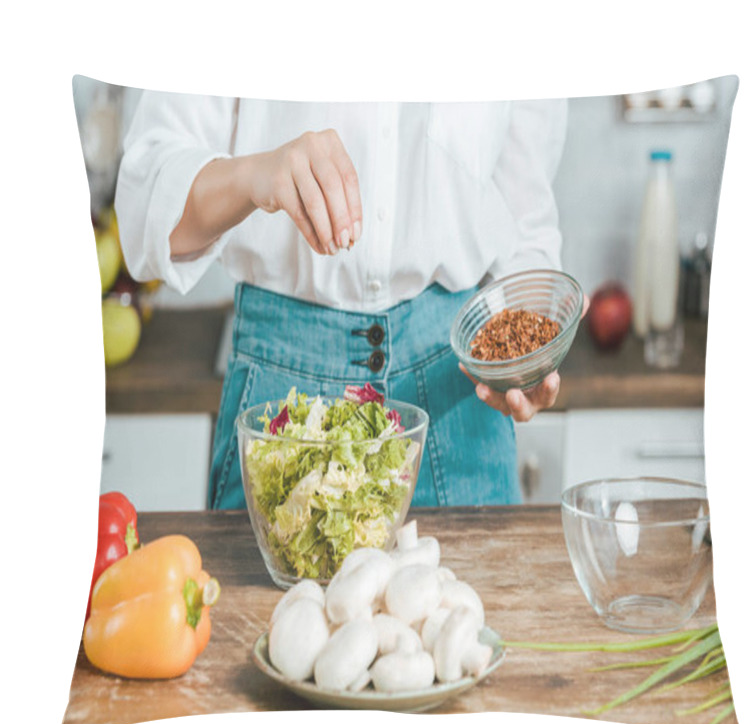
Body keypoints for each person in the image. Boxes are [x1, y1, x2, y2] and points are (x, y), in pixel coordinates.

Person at [115, 95, 570, 510]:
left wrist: (524, 355)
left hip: (460, 397)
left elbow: (524, 219)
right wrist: (253, 175)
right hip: (284, 400)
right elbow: (145, 211)